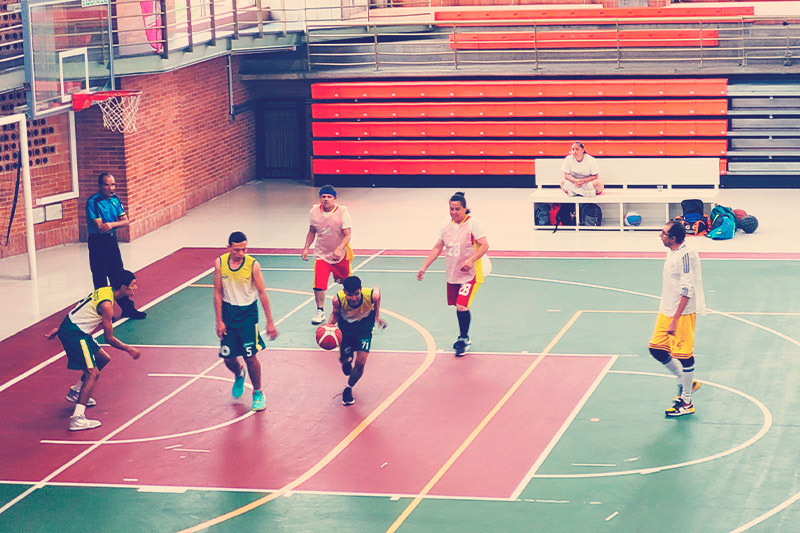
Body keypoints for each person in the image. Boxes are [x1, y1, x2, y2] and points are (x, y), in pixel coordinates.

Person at [44, 269, 142, 431]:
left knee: (103, 359)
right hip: (76, 335)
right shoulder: (107, 306)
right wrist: (128, 349)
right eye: (133, 285)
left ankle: (76, 391)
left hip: (76, 330)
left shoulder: (105, 290)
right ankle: (77, 418)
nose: (135, 288)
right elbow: (109, 339)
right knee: (93, 373)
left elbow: (80, 308)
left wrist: (61, 327)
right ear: (124, 287)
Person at [417, 191, 490, 357]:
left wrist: (471, 260)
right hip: (453, 273)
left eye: (457, 209)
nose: (454, 212)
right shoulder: (445, 225)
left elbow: (485, 245)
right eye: (451, 209)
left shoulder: (473, 224)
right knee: (457, 306)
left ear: (465, 208)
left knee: (462, 305)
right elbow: (438, 247)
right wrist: (425, 266)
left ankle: (464, 338)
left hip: (471, 274)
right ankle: (462, 335)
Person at [213, 231, 278, 412]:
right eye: (237, 250)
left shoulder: (253, 265)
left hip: (248, 315)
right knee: (227, 356)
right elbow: (217, 292)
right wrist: (219, 320)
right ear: (229, 248)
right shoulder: (220, 263)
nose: (241, 253)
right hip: (228, 314)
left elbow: (262, 293)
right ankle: (239, 373)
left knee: (250, 356)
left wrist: (270, 322)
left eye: (244, 249)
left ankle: (258, 392)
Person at [649, 219, 706, 417]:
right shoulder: (671, 252)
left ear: (673, 238)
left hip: (681, 314)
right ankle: (685, 381)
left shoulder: (686, 256)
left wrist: (675, 319)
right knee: (657, 349)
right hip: (666, 310)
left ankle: (687, 402)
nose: (660, 235)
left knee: (684, 356)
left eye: (663, 233)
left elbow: (687, 289)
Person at [85, 172, 146, 319]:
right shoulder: (93, 202)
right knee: (100, 277)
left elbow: (125, 221)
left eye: (113, 184)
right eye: (107, 185)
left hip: (112, 240)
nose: (111, 188)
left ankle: (127, 309)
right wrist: (115, 224)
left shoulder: (115, 199)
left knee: (118, 275)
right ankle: (104, 312)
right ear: (100, 186)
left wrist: (112, 224)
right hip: (98, 242)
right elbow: (100, 226)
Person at [327, 276, 386, 406]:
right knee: (345, 365)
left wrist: (377, 316)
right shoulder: (338, 300)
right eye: (349, 295)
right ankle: (346, 360)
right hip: (346, 329)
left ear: (361, 289)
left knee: (361, 362)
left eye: (356, 294)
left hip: (364, 328)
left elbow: (378, 296)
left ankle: (348, 388)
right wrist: (329, 326)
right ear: (344, 292)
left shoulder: (372, 295)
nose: (353, 298)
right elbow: (335, 314)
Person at [302, 184, 353, 326]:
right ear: (319, 198)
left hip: (340, 255)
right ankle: (320, 311)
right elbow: (312, 231)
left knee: (347, 284)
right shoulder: (314, 212)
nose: (326, 199)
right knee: (319, 284)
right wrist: (306, 248)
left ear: (334, 198)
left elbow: (348, 235)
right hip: (322, 254)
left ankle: (350, 309)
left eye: (329, 197)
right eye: (323, 196)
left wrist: (339, 249)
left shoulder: (342, 212)